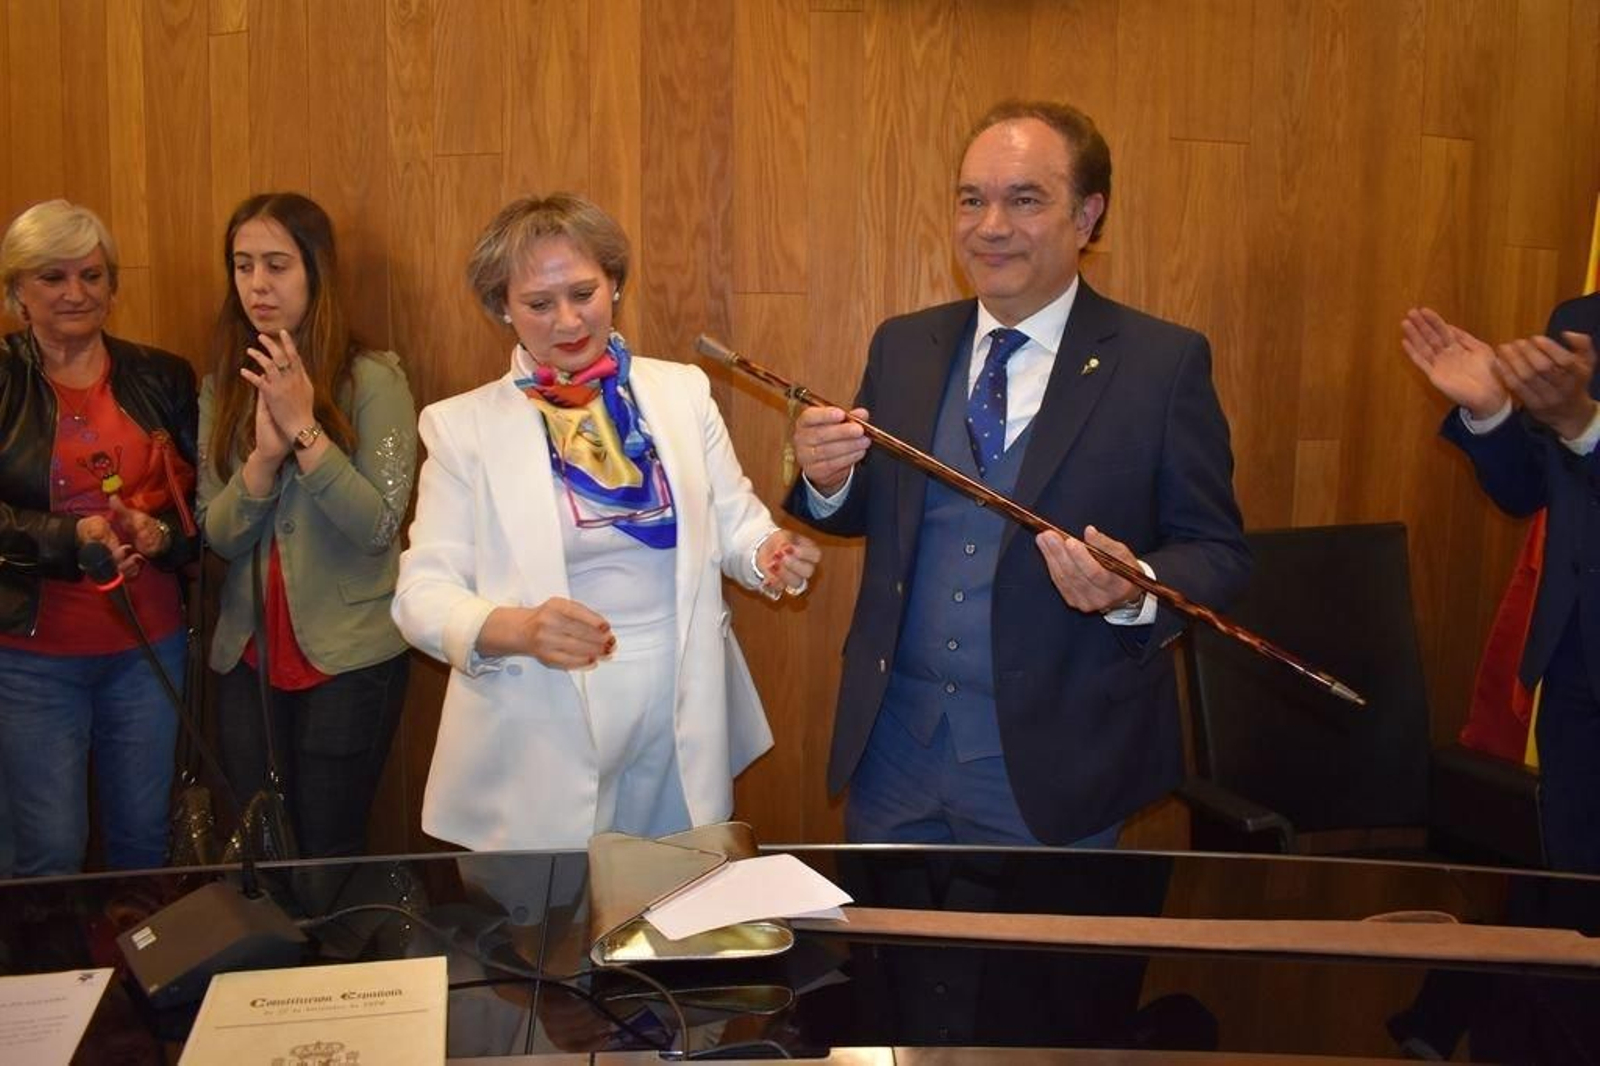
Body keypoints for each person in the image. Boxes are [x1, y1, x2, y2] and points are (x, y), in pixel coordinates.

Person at [788, 100, 1249, 846]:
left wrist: (1135, 589)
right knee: (885, 927)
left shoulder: (1162, 364)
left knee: (1047, 933)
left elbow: (1218, 553)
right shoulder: (903, 345)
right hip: (894, 752)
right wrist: (826, 477)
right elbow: (864, 507)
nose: (990, 226)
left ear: (1087, 216)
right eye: (972, 200)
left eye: (1025, 200)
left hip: (1059, 766)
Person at [393, 193, 820, 850]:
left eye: (584, 293)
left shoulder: (682, 393)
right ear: (503, 308)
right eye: (539, 303)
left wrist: (768, 552)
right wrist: (519, 629)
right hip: (538, 715)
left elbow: (736, 525)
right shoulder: (461, 428)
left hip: (680, 701)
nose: (568, 320)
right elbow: (420, 595)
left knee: (681, 898)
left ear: (614, 283)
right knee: (554, 909)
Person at [197, 192, 417, 859]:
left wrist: (304, 431)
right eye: (242, 266)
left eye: (277, 264)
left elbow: (379, 526)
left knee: (327, 849)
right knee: (261, 851)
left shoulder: (373, 379)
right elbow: (218, 535)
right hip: (247, 654)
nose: (257, 285)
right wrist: (262, 461)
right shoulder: (223, 385)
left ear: (315, 271)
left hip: (348, 657)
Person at [0, 199, 199, 876]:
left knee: (143, 843)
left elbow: (203, 509)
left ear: (113, 286)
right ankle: (51, 949)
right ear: (17, 292)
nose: (75, 293)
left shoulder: (162, 376)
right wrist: (70, 535)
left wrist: (160, 533)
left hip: (149, 648)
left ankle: (136, 952)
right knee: (50, 849)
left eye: (91, 275)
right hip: (31, 657)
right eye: (52, 277)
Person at [1402, 296, 1600, 874]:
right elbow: (1532, 488)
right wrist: (1493, 412)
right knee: (1573, 896)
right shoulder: (1578, 320)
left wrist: (1586, 427)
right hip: (1576, 670)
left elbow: (1582, 438)